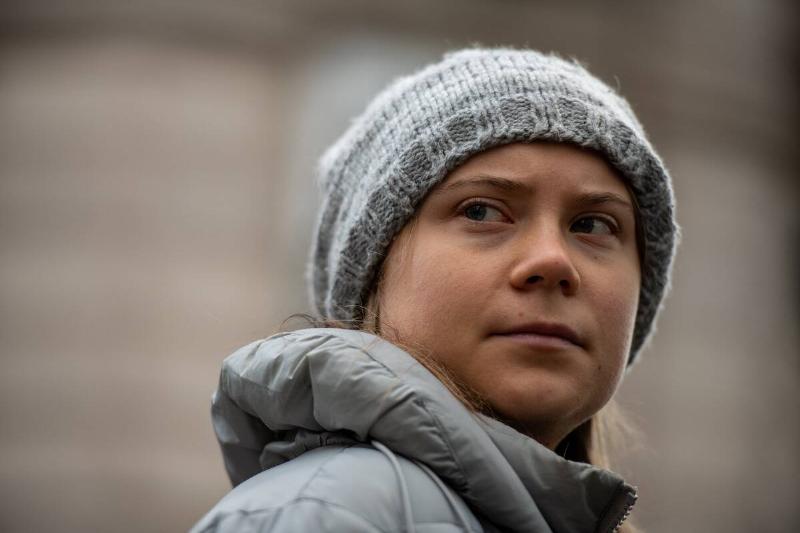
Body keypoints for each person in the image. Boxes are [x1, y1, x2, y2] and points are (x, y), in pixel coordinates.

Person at [190, 47, 679, 533]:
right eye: (482, 211)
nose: (553, 261)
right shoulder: (323, 514)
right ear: (374, 272)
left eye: (593, 224)